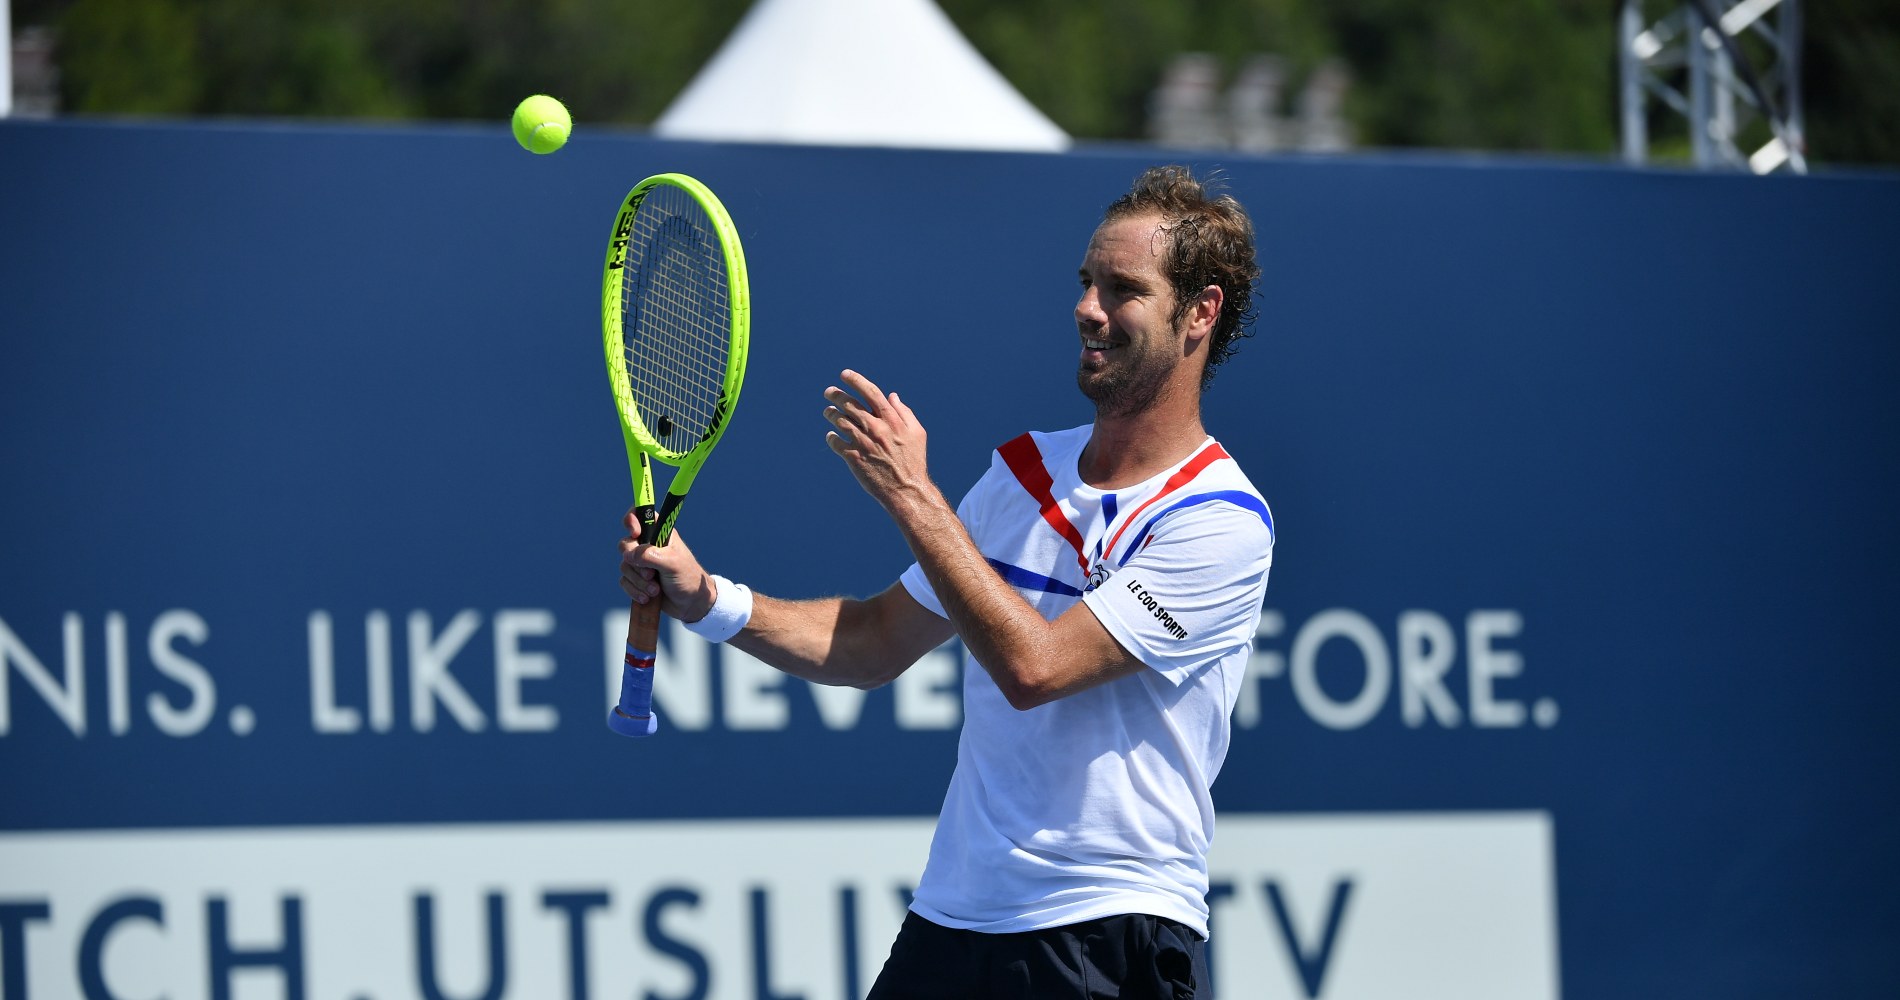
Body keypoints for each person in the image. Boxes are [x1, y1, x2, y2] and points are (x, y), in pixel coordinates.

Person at [619, 165, 1273, 998]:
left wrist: (914, 498)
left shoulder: (1220, 522)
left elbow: (1037, 669)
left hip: (1109, 930)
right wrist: (707, 598)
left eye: (1123, 289)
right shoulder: (1020, 476)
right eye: (1085, 283)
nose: (1087, 309)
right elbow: (873, 642)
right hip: (953, 922)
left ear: (1201, 313)